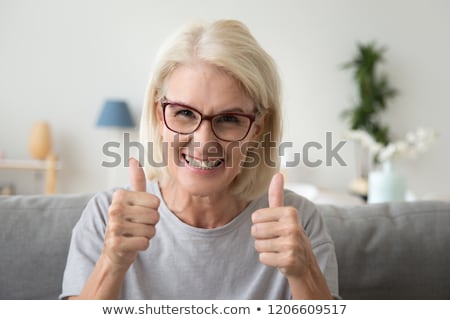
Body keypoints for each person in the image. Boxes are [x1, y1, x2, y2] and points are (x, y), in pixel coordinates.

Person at [60, 19, 339, 299]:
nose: (204, 143)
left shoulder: (299, 224)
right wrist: (112, 261)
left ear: (258, 128)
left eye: (229, 119)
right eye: (184, 113)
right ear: (160, 115)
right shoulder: (105, 217)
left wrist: (305, 275)